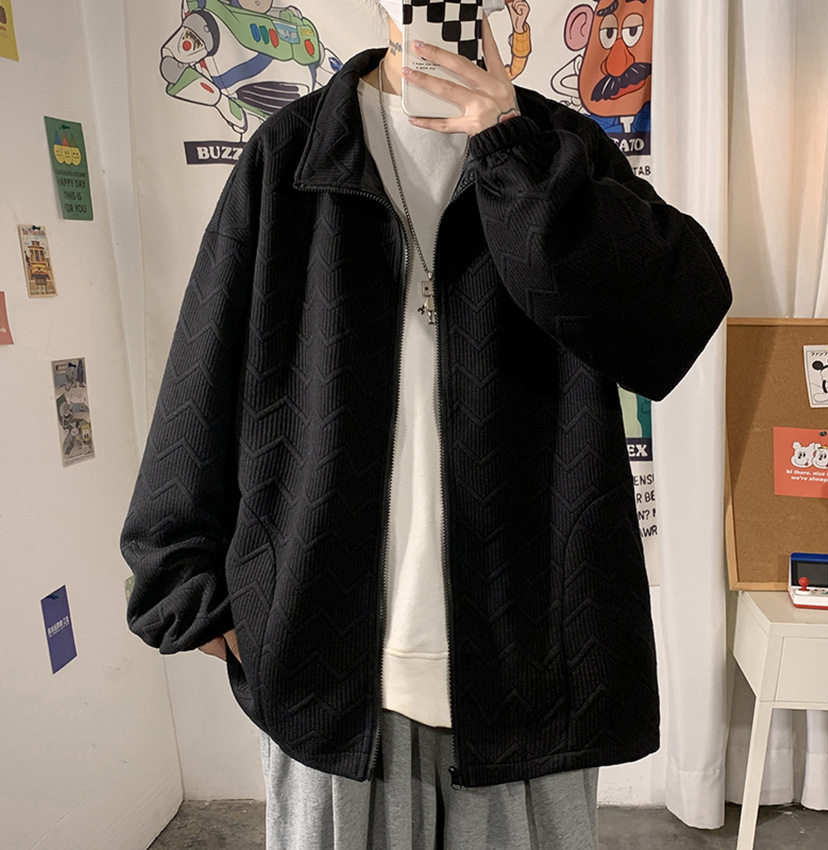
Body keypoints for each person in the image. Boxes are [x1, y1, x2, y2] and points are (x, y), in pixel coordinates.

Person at [121, 1, 732, 847]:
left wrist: (510, 147)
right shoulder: (293, 154)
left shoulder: (557, 147)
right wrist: (182, 574)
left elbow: (674, 316)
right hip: (330, 663)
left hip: (531, 654)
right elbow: (206, 360)